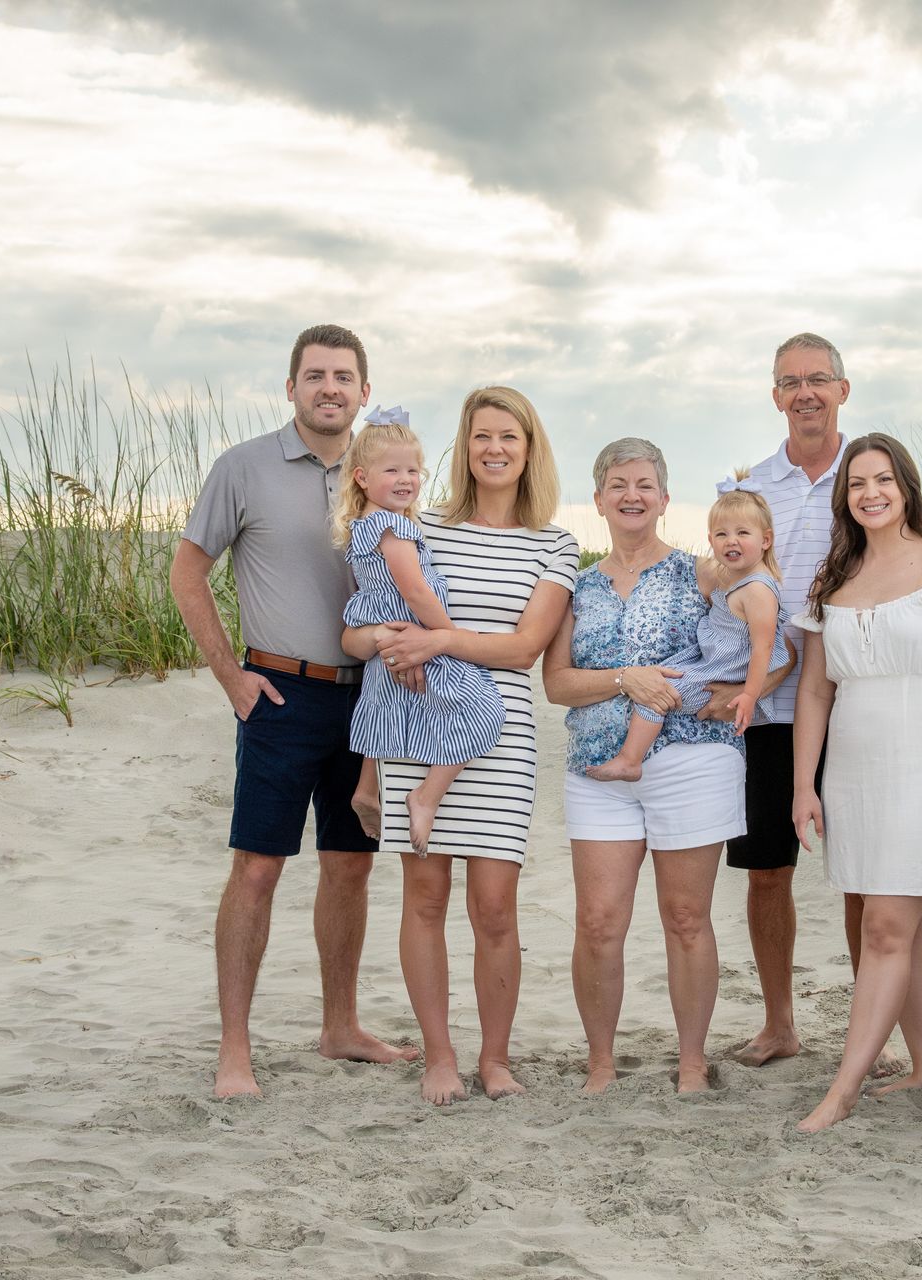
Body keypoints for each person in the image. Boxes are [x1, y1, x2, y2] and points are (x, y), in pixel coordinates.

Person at [169, 323, 418, 1099]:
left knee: (350, 866)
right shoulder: (243, 467)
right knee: (257, 868)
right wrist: (232, 680)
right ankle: (234, 1049)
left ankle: (339, 1026)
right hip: (279, 693)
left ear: (365, 392)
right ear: (291, 388)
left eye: (344, 376)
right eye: (315, 375)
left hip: (370, 698)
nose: (330, 388)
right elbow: (187, 574)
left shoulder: (382, 472)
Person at [343, 386, 579, 1106]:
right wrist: (383, 644)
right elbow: (357, 635)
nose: (495, 449)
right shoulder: (424, 527)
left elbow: (525, 647)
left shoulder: (555, 545)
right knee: (423, 896)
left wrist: (440, 639)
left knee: (496, 906)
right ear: (463, 448)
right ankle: (439, 1057)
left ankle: (496, 1057)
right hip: (417, 720)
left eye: (509, 436)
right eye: (481, 436)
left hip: (499, 732)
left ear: (529, 448)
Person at [542, 438, 792, 1094]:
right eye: (618, 483)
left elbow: (780, 648)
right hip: (598, 769)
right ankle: (601, 1062)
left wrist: (735, 696)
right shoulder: (578, 588)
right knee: (598, 922)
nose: (631, 494)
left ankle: (690, 1061)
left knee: (686, 917)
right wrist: (627, 680)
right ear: (597, 499)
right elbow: (559, 684)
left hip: (692, 762)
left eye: (644, 483)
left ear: (663, 496)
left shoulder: (702, 572)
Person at [790, 433, 922, 1132]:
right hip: (852, 771)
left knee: (883, 926)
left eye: (883, 480)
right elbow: (815, 693)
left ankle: (841, 1090)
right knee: (896, 933)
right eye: (856, 484)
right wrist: (803, 787)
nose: (870, 493)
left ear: (906, 487)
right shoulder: (834, 581)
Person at [715, 332, 849, 1069]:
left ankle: (875, 1025)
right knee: (767, 871)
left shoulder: (869, 473)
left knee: (869, 876)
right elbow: (723, 579)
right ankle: (779, 1025)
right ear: (775, 395)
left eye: (818, 379)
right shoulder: (752, 486)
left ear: (842, 390)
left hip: (854, 705)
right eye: (791, 381)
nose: (805, 392)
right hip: (765, 712)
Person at [334, 410, 503, 853]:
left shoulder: (365, 525)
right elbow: (414, 588)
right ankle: (425, 797)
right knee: (482, 709)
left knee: (384, 710)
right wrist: (450, 639)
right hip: (419, 634)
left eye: (413, 469)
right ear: (362, 478)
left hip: (385, 643)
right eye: (392, 470)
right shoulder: (394, 526)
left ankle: (367, 789)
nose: (406, 479)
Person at [583, 477, 790, 782]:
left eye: (742, 533)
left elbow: (765, 647)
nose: (731, 540)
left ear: (766, 540)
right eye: (721, 534)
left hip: (723, 669)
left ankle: (630, 759)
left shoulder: (758, 590)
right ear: (710, 539)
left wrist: (749, 694)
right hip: (711, 659)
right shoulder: (735, 578)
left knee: (659, 694)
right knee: (661, 676)